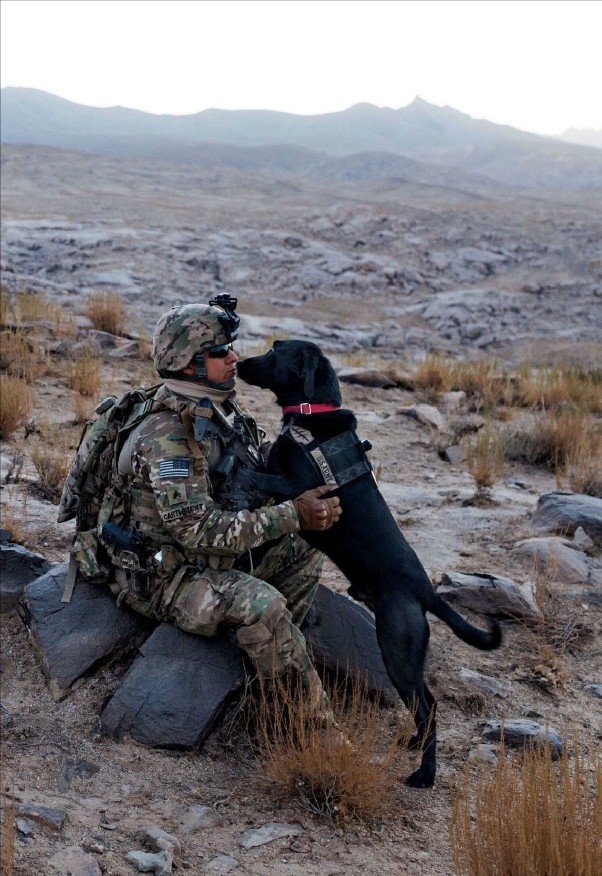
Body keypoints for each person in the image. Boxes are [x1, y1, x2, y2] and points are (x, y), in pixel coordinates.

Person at [100, 297, 342, 723]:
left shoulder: (218, 407)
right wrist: (291, 514)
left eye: (231, 347)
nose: (234, 358)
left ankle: (276, 664)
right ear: (190, 363)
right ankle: (309, 730)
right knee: (263, 605)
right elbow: (199, 532)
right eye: (220, 353)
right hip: (165, 576)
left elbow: (258, 460)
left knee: (309, 547)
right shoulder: (168, 437)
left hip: (210, 557)